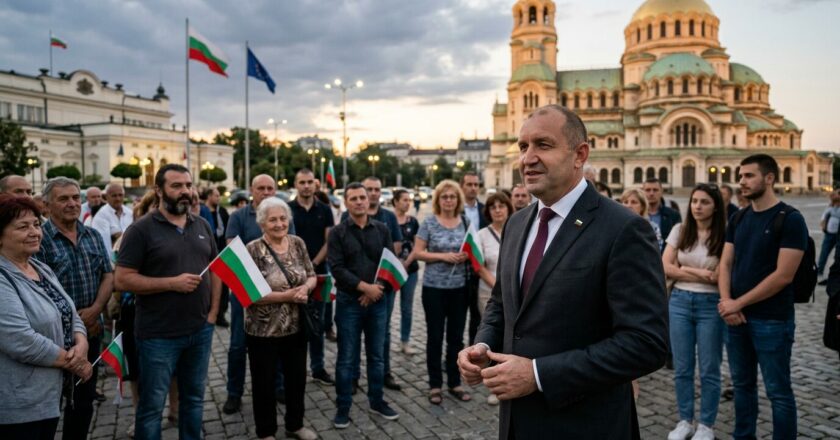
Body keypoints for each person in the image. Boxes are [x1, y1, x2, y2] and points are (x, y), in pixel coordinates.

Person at [458, 105, 668, 439]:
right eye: (523, 146)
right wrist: (483, 345)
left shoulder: (624, 229)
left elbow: (646, 344)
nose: (528, 158)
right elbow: (501, 303)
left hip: (586, 425)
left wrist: (538, 375)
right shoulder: (516, 222)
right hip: (517, 422)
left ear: (579, 154)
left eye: (543, 145)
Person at [114, 164, 222, 440]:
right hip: (158, 335)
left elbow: (215, 269)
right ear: (158, 190)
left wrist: (212, 314)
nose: (185, 191)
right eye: (176, 186)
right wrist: (171, 283)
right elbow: (123, 279)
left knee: (194, 400)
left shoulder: (201, 225)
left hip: (199, 331)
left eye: (188, 185)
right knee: (151, 408)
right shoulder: (140, 230)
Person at [718, 154, 807, 440]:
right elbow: (726, 263)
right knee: (743, 386)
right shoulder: (739, 217)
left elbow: (784, 275)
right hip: (736, 320)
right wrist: (726, 303)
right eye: (740, 176)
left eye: (748, 176)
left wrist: (737, 303)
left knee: (778, 391)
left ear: (769, 178)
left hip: (772, 319)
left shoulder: (790, 219)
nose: (741, 181)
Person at [0, 194, 92, 439]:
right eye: (22, 227)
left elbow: (70, 313)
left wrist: (81, 343)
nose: (34, 232)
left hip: (47, 396)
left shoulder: (40, 267)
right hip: (18, 404)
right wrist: (75, 362)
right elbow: (19, 339)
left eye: (36, 225)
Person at [35, 177, 114, 440]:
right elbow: (36, 290)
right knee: (47, 406)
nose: (72, 204)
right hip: (53, 338)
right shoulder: (38, 240)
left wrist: (96, 308)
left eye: (75, 197)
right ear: (46, 206)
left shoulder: (92, 235)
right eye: (63, 199)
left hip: (91, 330)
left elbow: (107, 275)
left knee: (83, 401)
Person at [328, 182, 400, 429]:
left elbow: (390, 263)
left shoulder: (382, 229)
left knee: (377, 357)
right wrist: (363, 287)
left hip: (377, 301)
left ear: (369, 200)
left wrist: (375, 290)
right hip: (348, 303)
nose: (360, 201)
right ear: (346, 203)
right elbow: (336, 269)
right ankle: (343, 407)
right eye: (354, 198)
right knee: (346, 358)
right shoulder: (337, 233)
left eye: (363, 197)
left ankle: (377, 401)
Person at [246, 198, 318, 440]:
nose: (279, 224)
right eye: (273, 219)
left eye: (283, 218)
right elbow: (250, 294)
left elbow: (311, 275)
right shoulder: (252, 249)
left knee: (297, 380)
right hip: (263, 330)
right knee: (264, 384)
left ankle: (295, 425)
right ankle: (266, 432)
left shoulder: (298, 243)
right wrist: (287, 295)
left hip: (296, 327)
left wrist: (305, 288)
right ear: (262, 223)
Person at [224, 174, 295, 413]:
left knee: (275, 342)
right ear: (251, 190)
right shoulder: (238, 216)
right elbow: (233, 252)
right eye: (260, 188)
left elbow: (291, 247)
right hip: (245, 292)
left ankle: (278, 386)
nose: (266, 192)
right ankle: (234, 393)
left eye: (270, 188)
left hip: (278, 294)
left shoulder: (282, 214)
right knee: (237, 345)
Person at [662, 184, 727, 440]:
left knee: (710, 368)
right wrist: (700, 273)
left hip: (710, 304)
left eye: (704, 202)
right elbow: (665, 266)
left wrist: (683, 269)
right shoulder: (680, 230)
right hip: (678, 301)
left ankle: (706, 425)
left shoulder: (724, 234)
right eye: (694, 201)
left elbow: (721, 275)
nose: (697, 206)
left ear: (715, 207)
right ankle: (685, 420)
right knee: (683, 367)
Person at [341, 176, 403, 391]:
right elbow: (342, 258)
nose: (374, 193)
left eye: (377, 189)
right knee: (353, 335)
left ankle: (384, 373)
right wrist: (364, 288)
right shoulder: (344, 219)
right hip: (353, 291)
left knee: (382, 333)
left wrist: (376, 288)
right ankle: (354, 376)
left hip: (382, 289)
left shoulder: (388, 218)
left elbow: (392, 252)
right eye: (370, 189)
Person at [415, 179, 472, 405]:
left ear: (458, 200)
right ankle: (435, 385)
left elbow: (471, 247)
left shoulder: (465, 221)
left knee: (456, 339)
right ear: (438, 200)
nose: (449, 200)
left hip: (459, 289)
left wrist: (465, 255)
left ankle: (455, 382)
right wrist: (443, 256)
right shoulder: (429, 222)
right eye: (444, 197)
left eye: (452, 197)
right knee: (435, 337)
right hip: (434, 289)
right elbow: (419, 253)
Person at [289, 169, 335, 387]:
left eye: (309, 182)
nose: (306, 186)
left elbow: (329, 242)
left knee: (318, 323)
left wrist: (313, 264)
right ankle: (294, 370)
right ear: (296, 184)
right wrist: (300, 268)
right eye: (302, 182)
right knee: (294, 325)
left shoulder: (325, 210)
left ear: (315, 185)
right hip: (292, 275)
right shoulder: (287, 209)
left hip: (320, 272)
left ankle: (318, 368)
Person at [475, 192, 513, 406]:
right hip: (489, 293)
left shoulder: (518, 229)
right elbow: (479, 267)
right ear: (488, 212)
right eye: (493, 207)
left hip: (517, 295)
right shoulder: (481, 234)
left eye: (501, 206)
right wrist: (500, 289)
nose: (498, 210)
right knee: (493, 338)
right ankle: (494, 384)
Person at [461, 172, 488, 345]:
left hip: (481, 268)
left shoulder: (485, 209)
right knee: (459, 316)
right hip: (461, 270)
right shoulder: (455, 209)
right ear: (462, 186)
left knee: (478, 317)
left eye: (476, 185)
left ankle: (474, 349)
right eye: (469, 184)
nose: (473, 188)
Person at [393, 189, 420, 355]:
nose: (407, 202)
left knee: (407, 308)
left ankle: (405, 341)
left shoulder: (413, 221)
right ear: (395, 201)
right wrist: (397, 264)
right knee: (387, 308)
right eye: (404, 200)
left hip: (410, 271)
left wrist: (407, 262)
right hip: (391, 271)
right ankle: (385, 339)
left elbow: (417, 246)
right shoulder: (388, 219)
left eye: (409, 200)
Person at [200, 187, 230, 327]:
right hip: (207, 255)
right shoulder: (202, 212)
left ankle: (220, 315)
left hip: (222, 253)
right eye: (216, 196)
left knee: (223, 286)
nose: (218, 198)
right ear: (209, 196)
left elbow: (228, 230)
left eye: (219, 196)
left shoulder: (222, 212)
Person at [91, 182, 133, 255]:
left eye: (120, 195)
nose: (118, 198)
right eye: (114, 196)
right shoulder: (101, 216)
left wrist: (118, 236)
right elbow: (105, 244)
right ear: (106, 197)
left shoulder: (130, 213)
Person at [643, 177, 681, 251]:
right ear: (642, 191)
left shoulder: (673, 215)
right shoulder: (636, 214)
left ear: (661, 191)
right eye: (648, 190)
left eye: (655, 190)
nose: (651, 193)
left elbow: (678, 240)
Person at [818, 190, 840, 285]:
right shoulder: (831, 206)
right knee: (824, 253)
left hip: (838, 235)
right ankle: (819, 272)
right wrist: (823, 226)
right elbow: (823, 218)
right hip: (829, 234)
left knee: (837, 256)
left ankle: (834, 275)